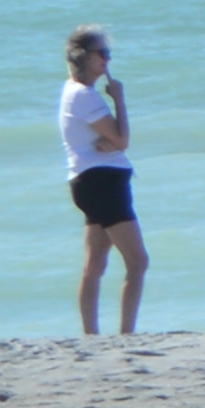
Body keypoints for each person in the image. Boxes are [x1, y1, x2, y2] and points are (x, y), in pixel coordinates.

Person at [61, 29, 144, 335]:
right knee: (138, 262)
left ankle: (90, 336)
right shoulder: (84, 95)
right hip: (103, 184)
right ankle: (126, 335)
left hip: (90, 182)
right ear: (85, 57)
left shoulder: (73, 92)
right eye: (102, 54)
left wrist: (110, 142)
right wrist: (119, 99)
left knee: (94, 265)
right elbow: (121, 139)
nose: (108, 59)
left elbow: (108, 141)